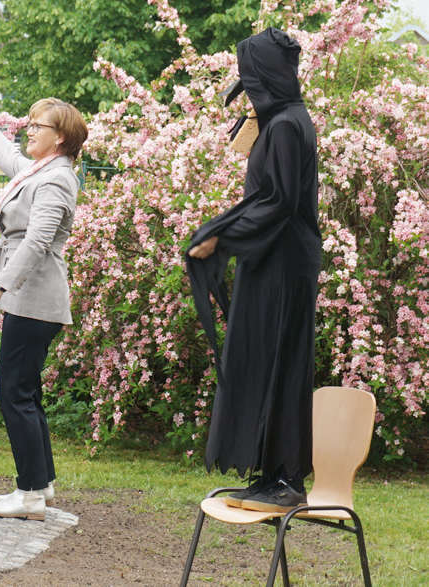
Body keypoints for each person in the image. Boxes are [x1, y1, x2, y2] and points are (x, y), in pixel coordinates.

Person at [186, 28, 322, 513]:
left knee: (280, 362)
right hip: (276, 260)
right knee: (267, 360)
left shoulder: (286, 124)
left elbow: (279, 201)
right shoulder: (281, 120)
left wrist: (222, 236)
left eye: (250, 75)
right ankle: (271, 474)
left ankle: (286, 479)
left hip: (285, 264)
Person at [0, 98, 88, 521]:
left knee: (15, 394)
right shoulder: (40, 171)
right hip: (31, 297)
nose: (29, 130)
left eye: (39, 126)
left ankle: (30, 495)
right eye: (30, 124)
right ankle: (43, 484)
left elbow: (38, 242)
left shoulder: (56, 180)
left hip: (34, 298)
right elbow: (9, 156)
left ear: (62, 137)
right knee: (26, 393)